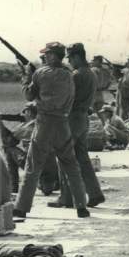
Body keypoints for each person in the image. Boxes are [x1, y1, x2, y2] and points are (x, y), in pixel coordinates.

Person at [12, 42, 90, 221]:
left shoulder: (40, 73)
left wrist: (26, 76)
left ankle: (21, 208)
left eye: (47, 54)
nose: (44, 57)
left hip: (45, 123)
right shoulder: (69, 74)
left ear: (54, 56)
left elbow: (29, 95)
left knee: (33, 166)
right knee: (71, 165)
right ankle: (81, 207)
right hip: (62, 123)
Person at [53, 43, 106, 209]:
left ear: (76, 57)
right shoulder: (91, 73)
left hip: (72, 119)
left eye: (70, 58)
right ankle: (95, 193)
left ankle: (66, 198)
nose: (70, 62)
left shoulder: (76, 75)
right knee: (83, 159)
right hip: (83, 119)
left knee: (64, 157)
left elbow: (65, 98)